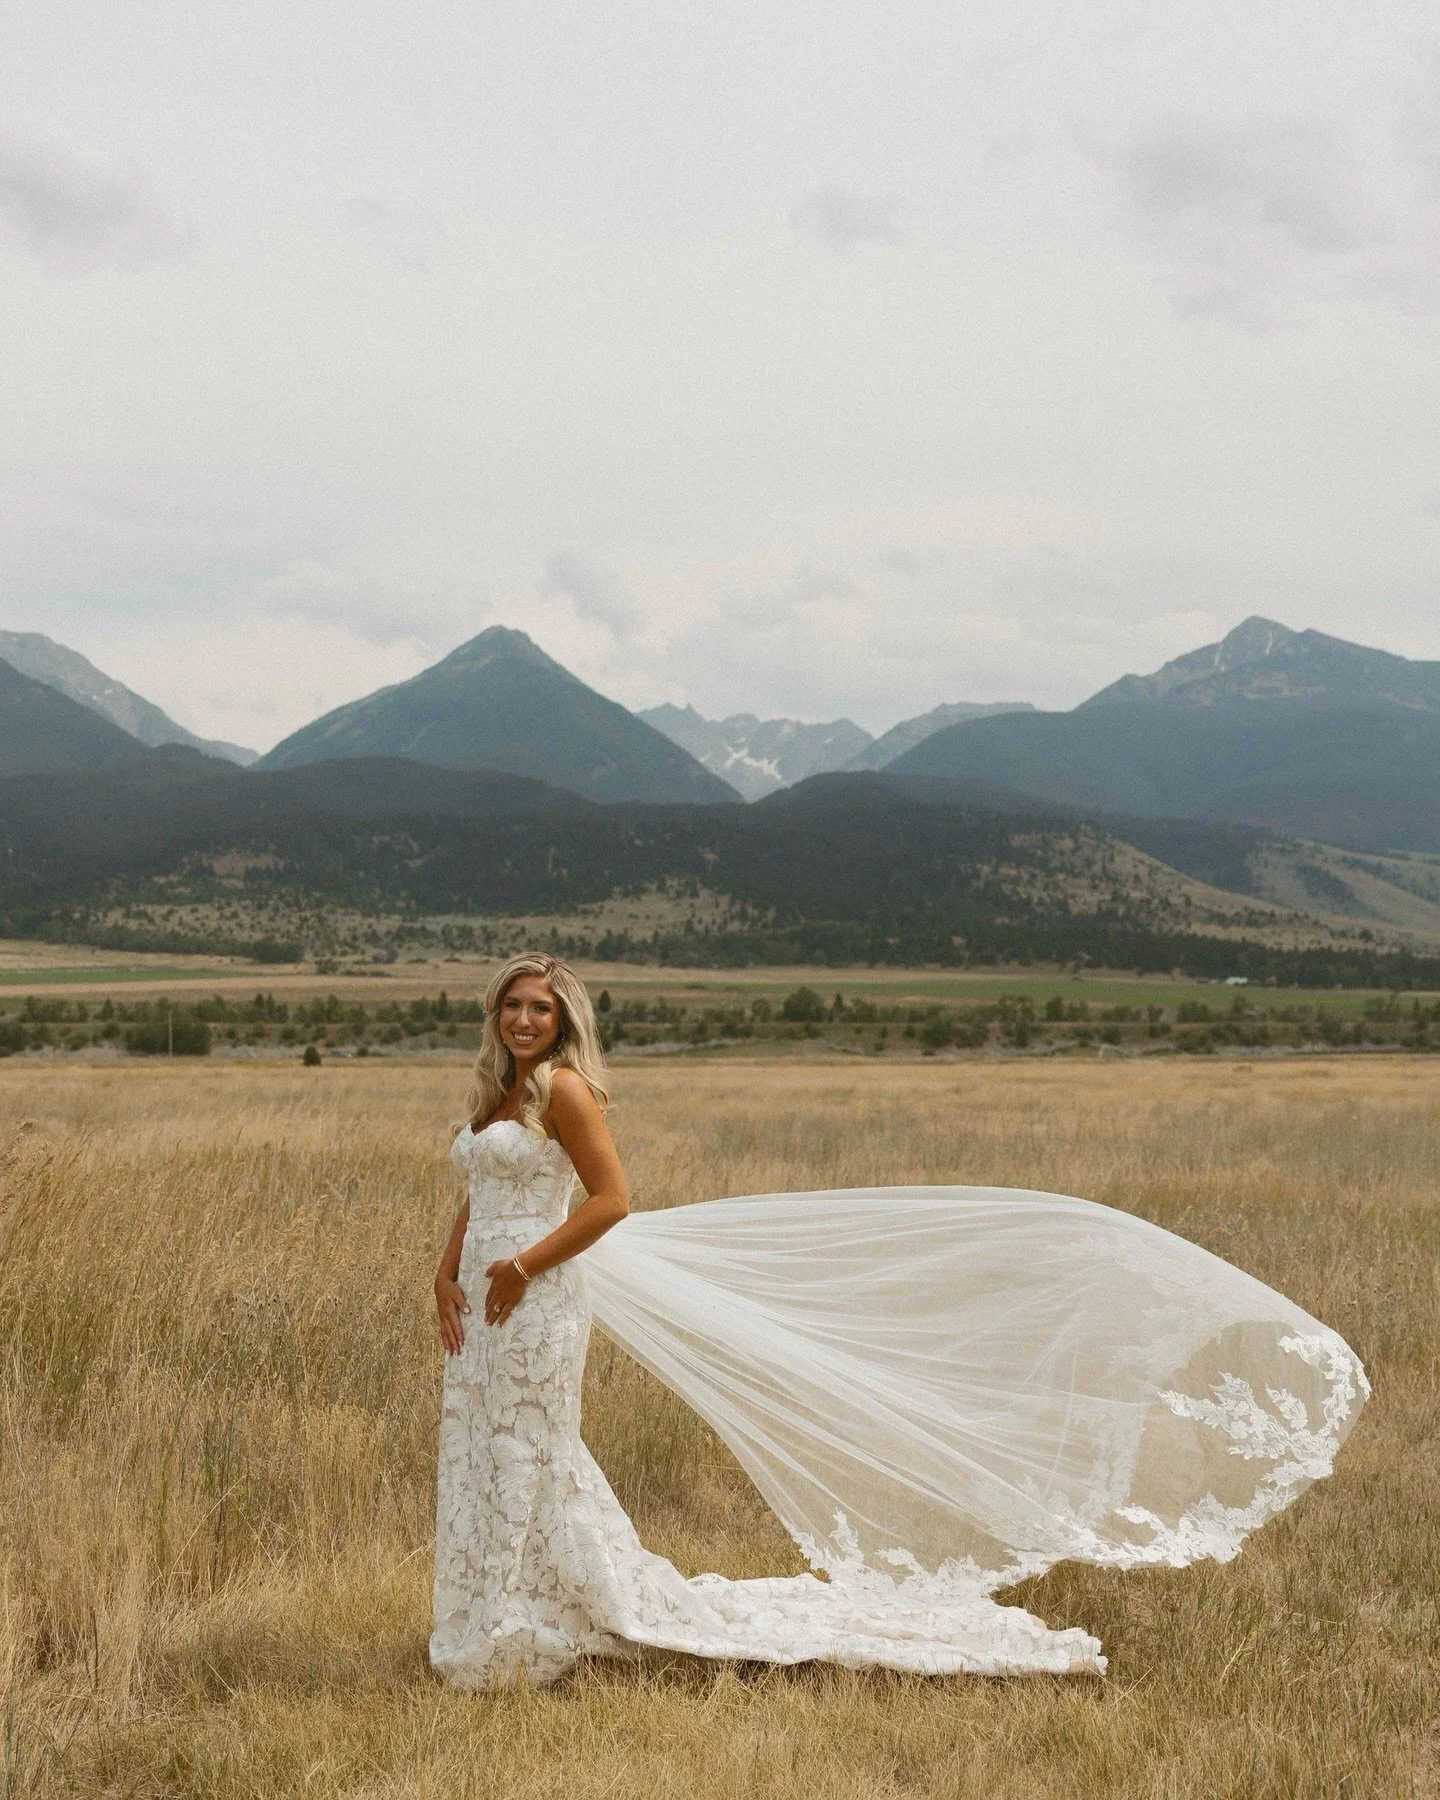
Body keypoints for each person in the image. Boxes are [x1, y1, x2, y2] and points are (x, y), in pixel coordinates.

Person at [430, 953, 1368, 1689]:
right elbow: (482, 1188)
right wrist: (449, 1270)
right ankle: (494, 1608)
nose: (522, 1020)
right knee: (481, 1444)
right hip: (484, 1297)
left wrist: (520, 1266)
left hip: (539, 1296)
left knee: (532, 1451)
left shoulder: (565, 1090)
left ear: (564, 1021)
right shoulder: (498, 1093)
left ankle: (530, 1618)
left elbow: (610, 1202)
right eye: (511, 1006)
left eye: (539, 1008)